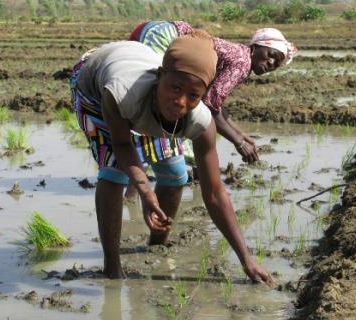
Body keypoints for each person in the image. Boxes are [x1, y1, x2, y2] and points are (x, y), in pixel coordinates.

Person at [70, 33, 272, 284]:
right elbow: (122, 144)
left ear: (203, 95)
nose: (179, 102)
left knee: (176, 174)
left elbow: (215, 193)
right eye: (175, 88)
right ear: (159, 76)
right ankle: (112, 267)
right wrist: (144, 189)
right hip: (95, 85)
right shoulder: (121, 93)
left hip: (141, 79)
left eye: (193, 95)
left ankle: (156, 245)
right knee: (114, 172)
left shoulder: (199, 119)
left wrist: (246, 259)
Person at [129, 21, 296, 164]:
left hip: (157, 29)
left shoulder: (241, 57)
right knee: (158, 105)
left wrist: (240, 134)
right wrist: (238, 142)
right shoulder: (242, 63)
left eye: (277, 63)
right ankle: (134, 170)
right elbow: (210, 106)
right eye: (271, 54)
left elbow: (216, 104)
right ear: (257, 46)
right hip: (163, 36)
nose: (271, 62)